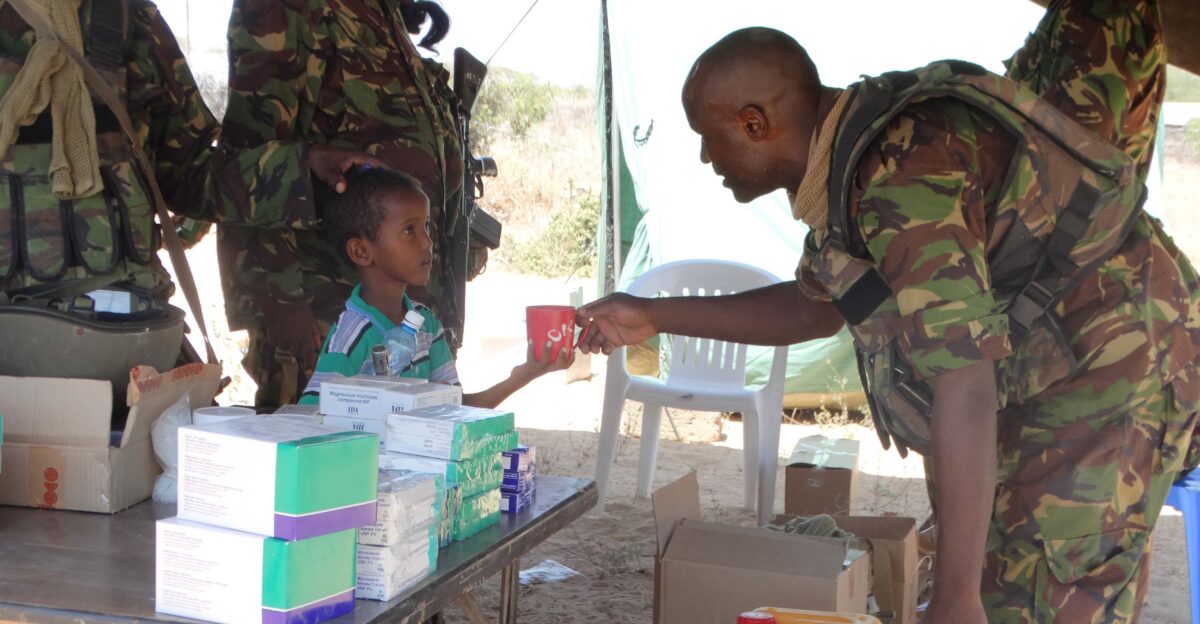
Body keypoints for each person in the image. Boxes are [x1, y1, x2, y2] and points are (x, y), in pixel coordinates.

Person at [577, 1, 1200, 622]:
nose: (706, 160)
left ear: (754, 123)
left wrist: (954, 599)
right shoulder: (849, 167)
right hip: (1052, 357)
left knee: (1037, 593)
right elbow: (813, 309)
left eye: (707, 138)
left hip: (1112, 359)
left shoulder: (900, 173)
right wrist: (655, 316)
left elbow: (965, 385)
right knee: (987, 570)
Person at [211, 0, 476, 410]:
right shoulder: (292, 8)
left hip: (406, 319)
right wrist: (282, 304)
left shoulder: (384, 16)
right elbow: (240, 172)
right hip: (325, 319)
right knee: (325, 463)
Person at [298, 168, 569, 409]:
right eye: (409, 231)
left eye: (426, 226)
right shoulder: (353, 334)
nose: (428, 241)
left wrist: (523, 375)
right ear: (361, 251)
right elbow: (310, 417)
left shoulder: (426, 325)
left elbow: (454, 410)